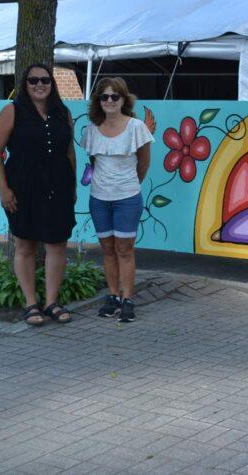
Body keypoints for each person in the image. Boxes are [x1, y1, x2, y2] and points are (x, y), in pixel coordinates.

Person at [0, 64, 77, 326]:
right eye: (33, 80)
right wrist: (3, 188)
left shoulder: (63, 112)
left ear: (53, 84)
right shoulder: (12, 111)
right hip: (23, 186)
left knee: (56, 243)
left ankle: (51, 301)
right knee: (26, 244)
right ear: (24, 84)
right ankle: (31, 303)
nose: (40, 85)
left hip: (58, 185)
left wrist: (72, 187)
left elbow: (70, 152)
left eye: (45, 80)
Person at [83, 77, 152, 323]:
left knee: (125, 249)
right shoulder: (92, 130)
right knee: (108, 249)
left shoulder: (136, 127)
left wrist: (128, 186)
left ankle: (128, 299)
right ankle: (112, 296)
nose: (110, 101)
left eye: (115, 96)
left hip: (127, 198)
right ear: (98, 101)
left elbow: (144, 163)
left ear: (124, 99)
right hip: (99, 198)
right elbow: (93, 162)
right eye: (105, 97)